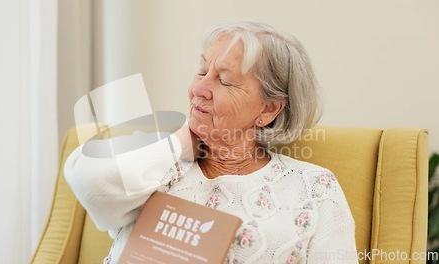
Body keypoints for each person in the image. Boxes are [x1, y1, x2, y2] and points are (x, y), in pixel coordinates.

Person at [65, 20, 357, 264]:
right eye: (202, 71)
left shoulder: (313, 188)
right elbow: (87, 179)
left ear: (268, 109)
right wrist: (181, 141)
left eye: (225, 81)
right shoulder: (160, 160)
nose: (199, 89)